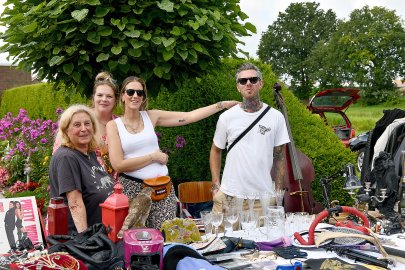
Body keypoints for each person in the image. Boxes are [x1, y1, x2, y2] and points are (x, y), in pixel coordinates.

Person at [106, 75, 239, 229]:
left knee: (164, 236)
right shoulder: (114, 125)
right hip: (133, 190)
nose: (135, 96)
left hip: (162, 190)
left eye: (140, 93)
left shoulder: (151, 116)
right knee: (136, 239)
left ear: (143, 97)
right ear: (122, 96)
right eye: (130, 92)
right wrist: (152, 157)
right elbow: (118, 164)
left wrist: (221, 105)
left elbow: (189, 116)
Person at [210, 62, 290, 214]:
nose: (248, 83)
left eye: (253, 80)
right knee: (220, 238)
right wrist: (216, 187)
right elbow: (215, 150)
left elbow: (280, 156)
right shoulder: (226, 117)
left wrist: (278, 196)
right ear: (238, 86)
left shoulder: (276, 117)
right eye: (243, 81)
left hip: (263, 199)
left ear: (261, 84)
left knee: (263, 239)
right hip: (228, 197)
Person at [49, 104, 114, 234]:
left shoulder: (88, 152)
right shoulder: (66, 157)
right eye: (77, 125)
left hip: (100, 233)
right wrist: (86, 241)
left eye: (87, 124)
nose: (84, 129)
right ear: (66, 130)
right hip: (79, 239)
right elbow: (75, 204)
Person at [53, 71, 119, 177]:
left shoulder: (120, 124)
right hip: (83, 181)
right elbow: (59, 153)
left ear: (116, 99)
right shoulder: (80, 119)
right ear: (93, 98)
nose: (104, 99)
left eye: (109, 96)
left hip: (117, 184)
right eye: (100, 95)